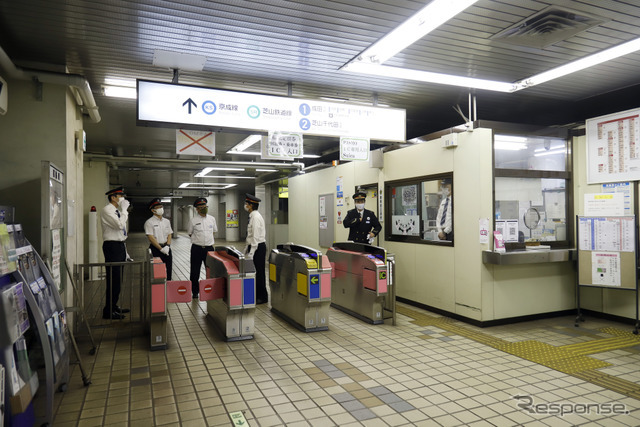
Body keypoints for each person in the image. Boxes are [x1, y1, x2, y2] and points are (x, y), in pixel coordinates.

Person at [101, 186, 131, 320]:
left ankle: (113, 306)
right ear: (113, 198)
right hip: (112, 246)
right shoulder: (107, 210)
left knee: (118, 280)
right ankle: (108, 311)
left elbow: (121, 231)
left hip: (119, 246)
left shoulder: (117, 211)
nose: (122, 199)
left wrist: (126, 252)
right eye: (120, 196)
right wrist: (125, 210)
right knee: (113, 279)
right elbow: (119, 225)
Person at [188, 197, 217, 299]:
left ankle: (211, 289)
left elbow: (214, 231)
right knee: (195, 271)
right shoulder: (193, 220)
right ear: (197, 209)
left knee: (210, 270)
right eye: (201, 207)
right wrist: (199, 241)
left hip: (209, 249)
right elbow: (190, 233)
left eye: (205, 206)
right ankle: (195, 292)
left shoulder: (212, 219)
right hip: (196, 248)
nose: (204, 208)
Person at [244, 194, 267, 304]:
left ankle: (262, 297)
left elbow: (256, 236)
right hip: (254, 246)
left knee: (259, 272)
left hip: (258, 247)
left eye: (247, 204)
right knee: (256, 272)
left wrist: (252, 251)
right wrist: (246, 248)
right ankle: (257, 294)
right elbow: (250, 235)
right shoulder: (253, 216)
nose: (245, 206)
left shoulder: (256, 217)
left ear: (251, 205)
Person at [144, 198, 173, 280]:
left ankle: (168, 288)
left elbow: (169, 234)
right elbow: (151, 238)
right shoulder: (149, 222)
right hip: (156, 249)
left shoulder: (166, 221)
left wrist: (167, 246)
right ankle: (158, 290)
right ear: (153, 210)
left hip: (167, 248)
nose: (161, 208)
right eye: (158, 207)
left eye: (161, 206)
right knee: (157, 272)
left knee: (169, 270)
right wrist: (161, 249)